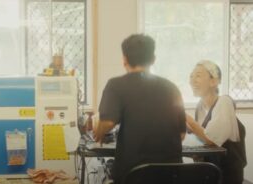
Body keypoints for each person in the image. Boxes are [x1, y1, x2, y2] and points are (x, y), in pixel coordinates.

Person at [94, 34, 186, 184]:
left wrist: (99, 130)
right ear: (153, 59)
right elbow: (182, 134)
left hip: (133, 175)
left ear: (124, 59)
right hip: (171, 175)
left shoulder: (116, 85)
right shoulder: (172, 87)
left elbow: (108, 122)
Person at [186, 60, 247, 184]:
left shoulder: (224, 102)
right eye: (191, 76)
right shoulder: (200, 107)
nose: (192, 80)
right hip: (209, 173)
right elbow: (202, 140)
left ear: (214, 81)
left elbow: (211, 139)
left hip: (227, 176)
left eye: (197, 75)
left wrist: (183, 116)